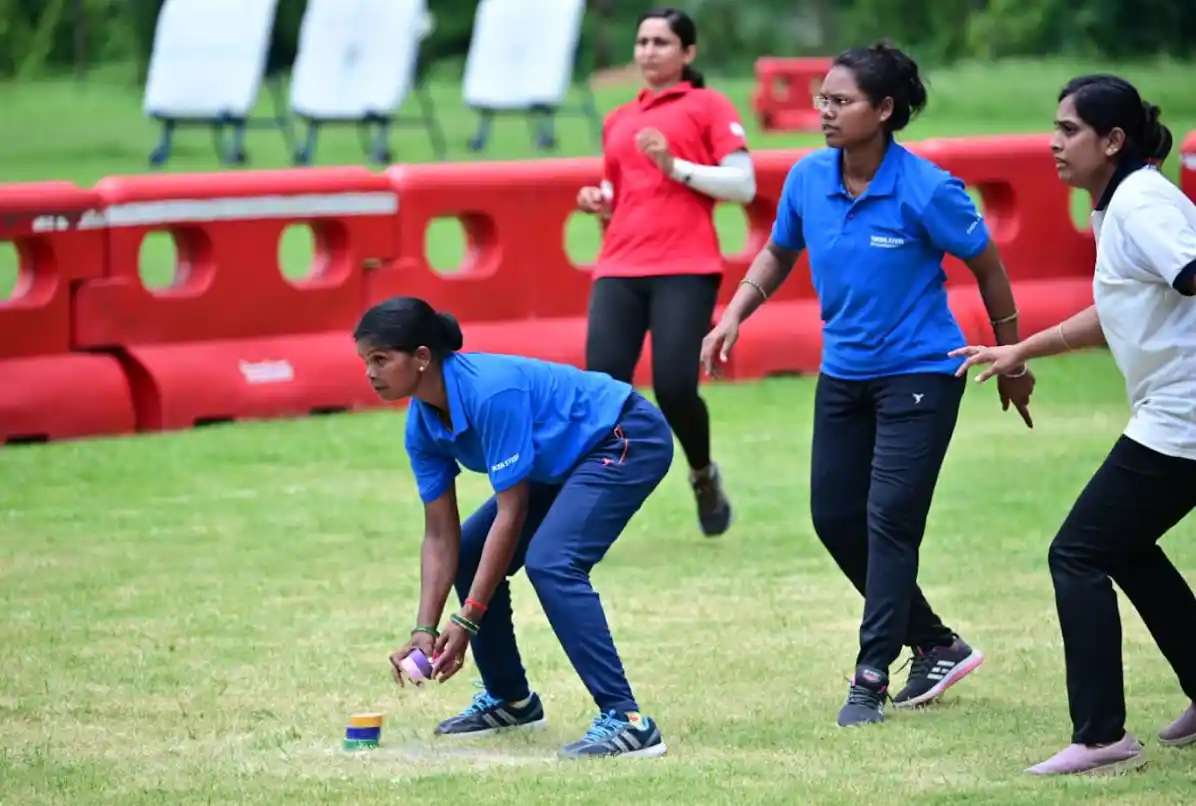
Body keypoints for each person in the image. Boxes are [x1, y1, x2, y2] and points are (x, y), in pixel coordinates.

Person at [700, 42, 1036, 728]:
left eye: (840, 100)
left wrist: (1011, 355)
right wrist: (734, 311)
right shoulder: (807, 178)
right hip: (844, 376)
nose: (825, 111)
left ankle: (871, 675)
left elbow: (989, 267)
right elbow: (778, 252)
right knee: (834, 519)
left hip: (922, 374)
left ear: (884, 110)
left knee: (889, 523)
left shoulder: (928, 189)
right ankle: (937, 643)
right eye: (822, 99)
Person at [953, 75, 1196, 776]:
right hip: (1173, 413)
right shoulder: (1118, 206)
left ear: (1112, 141)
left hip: (1183, 417)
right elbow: (1118, 307)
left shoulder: (1142, 204)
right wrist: (1022, 349)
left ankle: (1101, 736)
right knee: (1123, 547)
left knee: (1079, 552)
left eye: (1069, 130)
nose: (1054, 143)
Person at [355, 296, 671, 760]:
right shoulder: (421, 424)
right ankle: (510, 700)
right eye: (366, 361)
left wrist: (467, 618)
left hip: (623, 435)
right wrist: (425, 627)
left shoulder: (490, 393)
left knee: (553, 562)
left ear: (422, 357)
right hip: (560, 461)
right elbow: (441, 535)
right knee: (469, 551)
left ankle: (628, 721)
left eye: (380, 359)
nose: (369, 372)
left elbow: (513, 509)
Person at [575, 6, 756, 539]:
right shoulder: (618, 119)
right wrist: (600, 201)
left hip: (686, 265)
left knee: (675, 388)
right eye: (642, 42)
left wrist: (673, 166)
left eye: (661, 42)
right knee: (603, 389)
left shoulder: (708, 105)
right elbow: (621, 193)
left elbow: (743, 184)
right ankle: (599, 499)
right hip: (619, 265)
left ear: (688, 52)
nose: (648, 51)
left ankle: (702, 474)